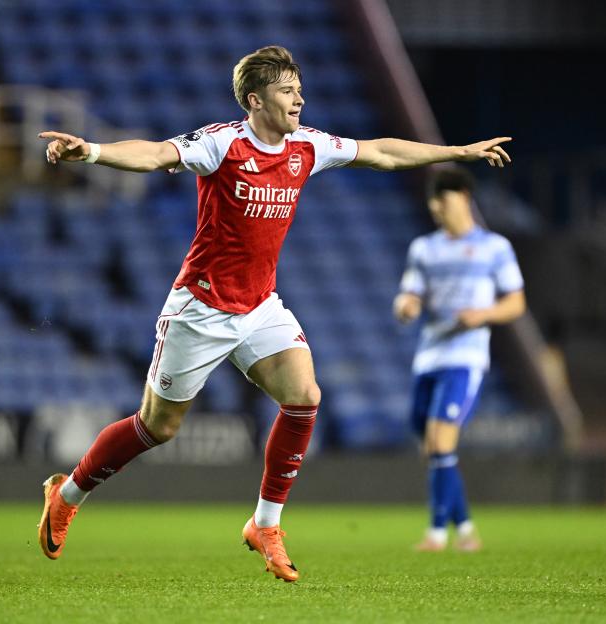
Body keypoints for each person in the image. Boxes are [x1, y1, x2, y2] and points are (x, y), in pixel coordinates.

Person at [37, 46, 512, 582]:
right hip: (201, 307)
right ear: (256, 100)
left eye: (300, 89)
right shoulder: (221, 143)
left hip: (261, 305)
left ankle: (265, 524)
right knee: (158, 427)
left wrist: (459, 150)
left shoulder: (307, 146)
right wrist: (93, 152)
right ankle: (68, 491)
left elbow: (381, 152)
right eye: (288, 90)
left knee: (305, 397)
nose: (300, 99)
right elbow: (154, 155)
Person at [393, 167, 526, 552]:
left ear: (465, 197)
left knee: (440, 440)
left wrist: (483, 315)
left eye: (443, 199)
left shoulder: (494, 248)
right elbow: (408, 294)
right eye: (433, 200)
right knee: (431, 445)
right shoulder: (424, 248)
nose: (437, 207)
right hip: (428, 356)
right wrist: (406, 307)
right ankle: (466, 529)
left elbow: (516, 302)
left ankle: (437, 534)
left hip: (465, 357)